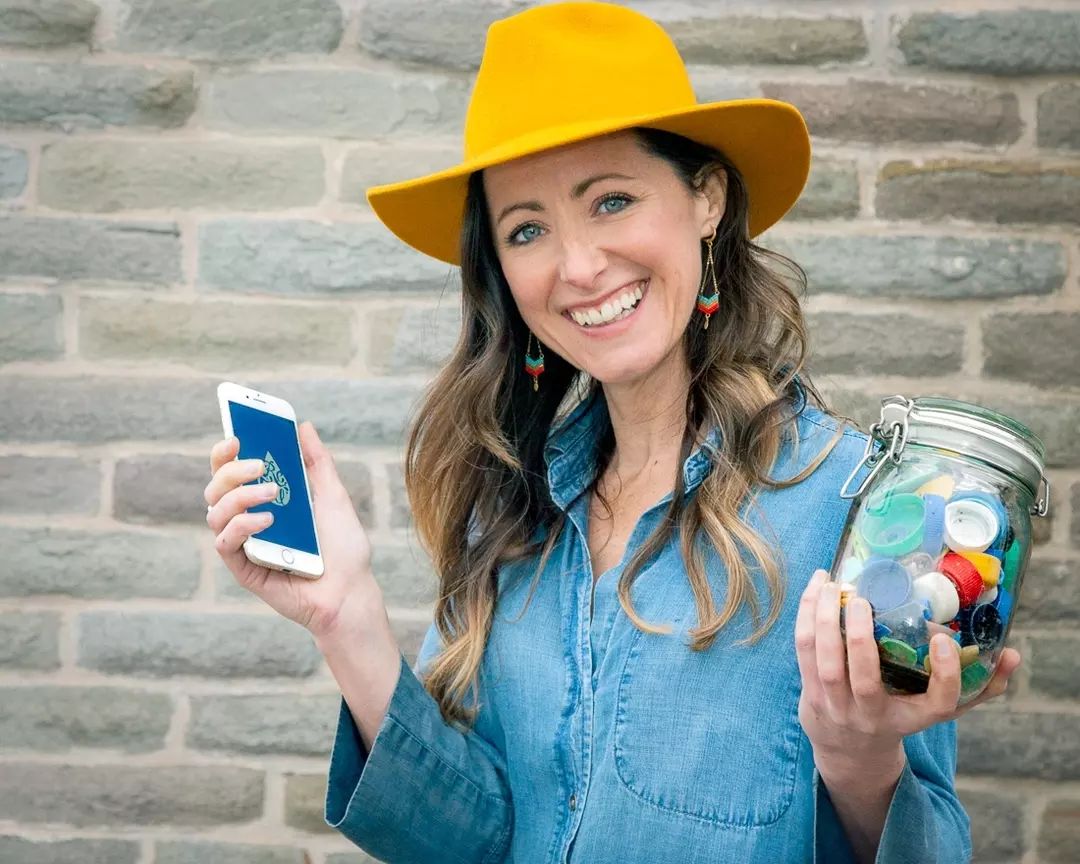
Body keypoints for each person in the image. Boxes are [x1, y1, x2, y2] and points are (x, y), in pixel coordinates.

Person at [204, 2, 1020, 861]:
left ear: (706, 200)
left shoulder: (865, 512)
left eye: (612, 201)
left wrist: (860, 759)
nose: (579, 266)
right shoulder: (511, 517)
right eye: (527, 229)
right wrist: (347, 620)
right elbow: (483, 842)